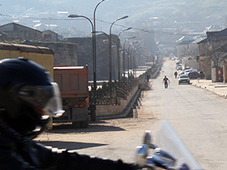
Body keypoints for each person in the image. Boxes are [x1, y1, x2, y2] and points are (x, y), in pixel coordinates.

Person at [0, 58, 137, 170]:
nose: (41, 111)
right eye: (37, 103)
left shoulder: (16, 140)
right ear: (13, 100)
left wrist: (128, 167)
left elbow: (60, 159)